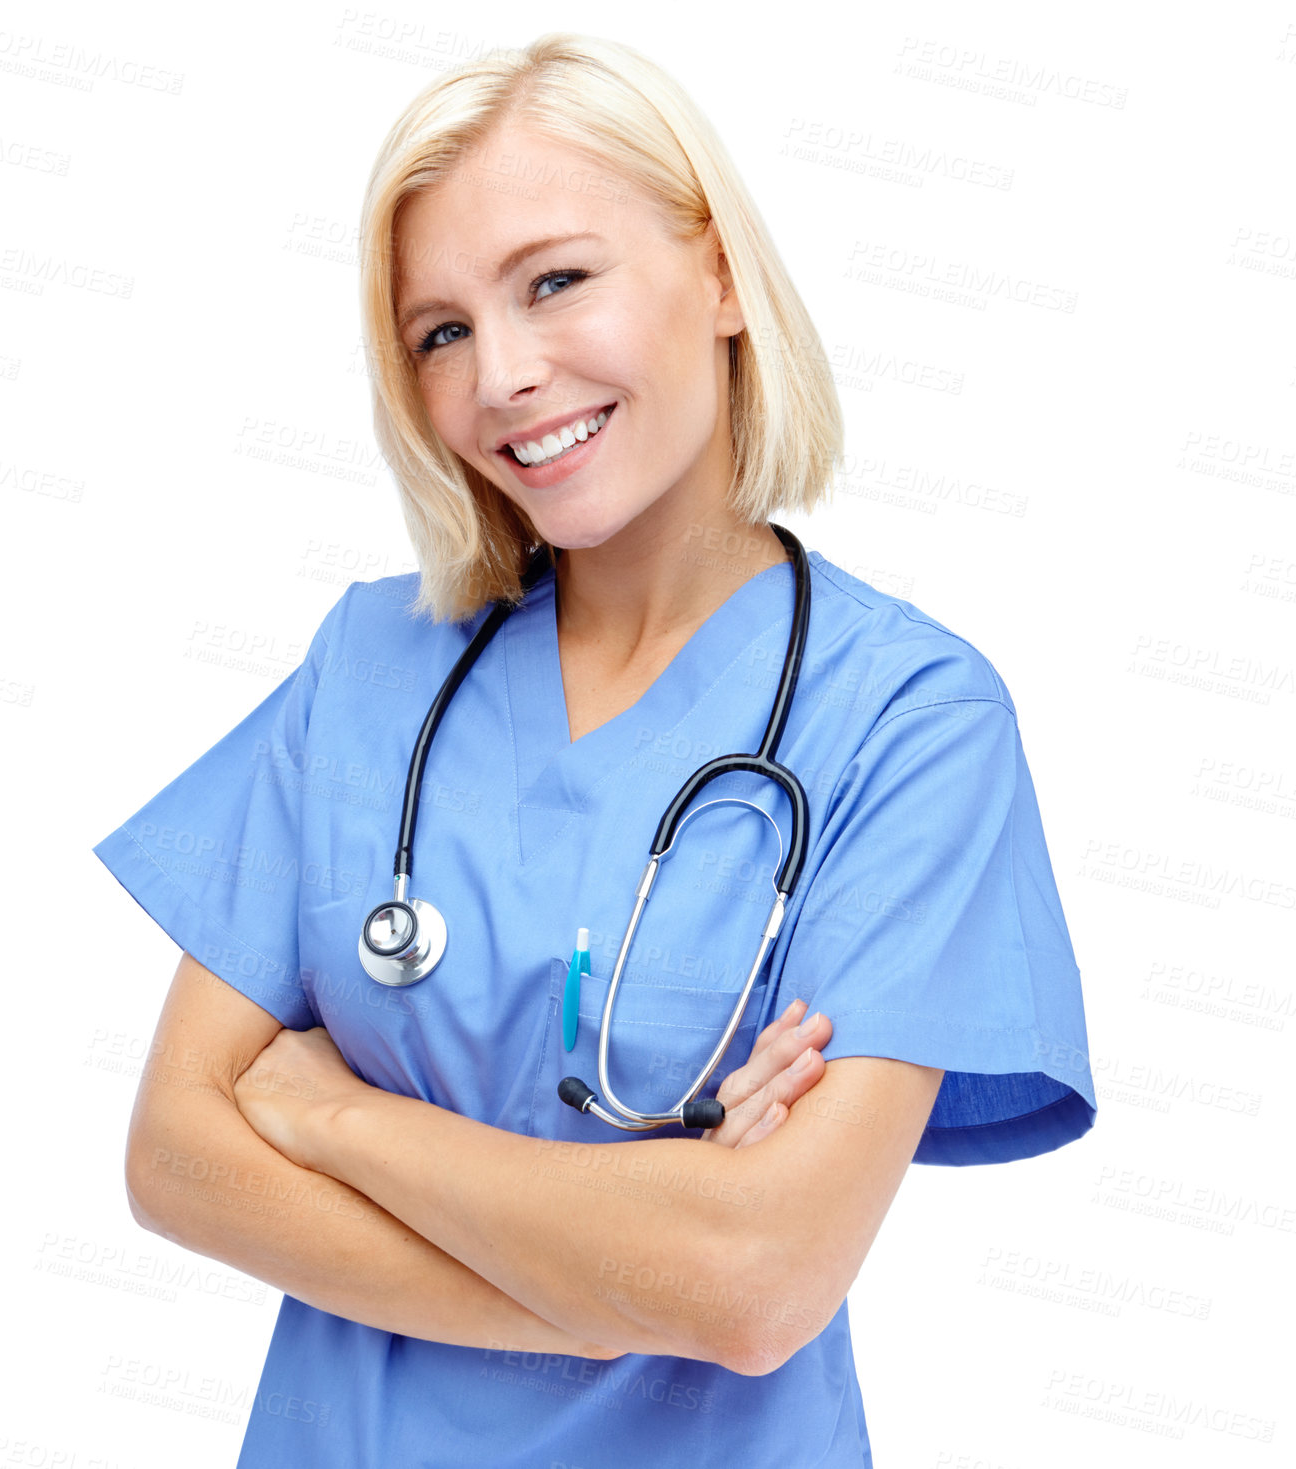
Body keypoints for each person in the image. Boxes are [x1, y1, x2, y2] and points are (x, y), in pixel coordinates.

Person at [94, 33, 1096, 1468]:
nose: (501, 374)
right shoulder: (368, 672)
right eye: (439, 331)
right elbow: (176, 1159)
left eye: (555, 280)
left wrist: (332, 1114)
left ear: (723, 276)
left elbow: (757, 1285)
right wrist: (625, 1278)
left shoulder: (910, 722)